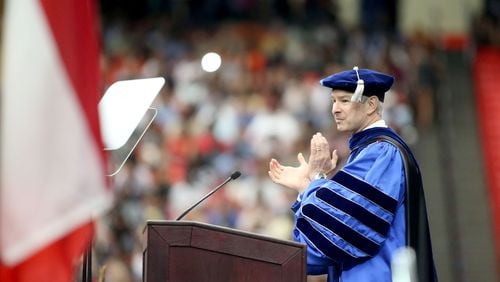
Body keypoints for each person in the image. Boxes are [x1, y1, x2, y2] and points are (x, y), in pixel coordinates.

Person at [268, 67, 437, 282]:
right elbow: (318, 251)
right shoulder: (368, 152)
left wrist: (314, 180)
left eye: (344, 100)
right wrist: (309, 184)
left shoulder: (382, 153)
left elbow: (345, 236)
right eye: (333, 101)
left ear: (371, 105)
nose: (335, 109)